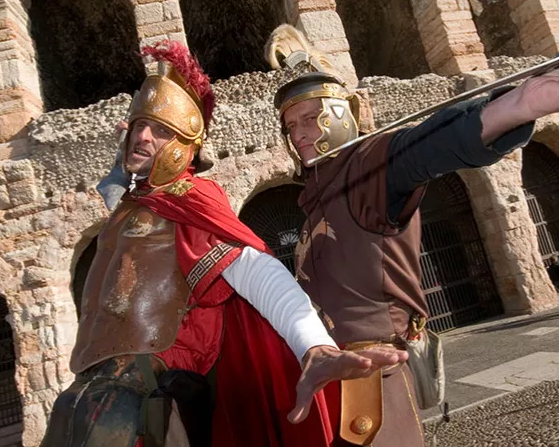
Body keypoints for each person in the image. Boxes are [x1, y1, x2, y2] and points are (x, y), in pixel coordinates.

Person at [41, 40, 407, 447]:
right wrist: (123, 167)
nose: (142, 136)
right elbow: (125, 201)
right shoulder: (135, 205)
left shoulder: (190, 198)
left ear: (187, 147)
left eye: (161, 130)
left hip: (142, 390)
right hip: (92, 384)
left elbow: (256, 267)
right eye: (138, 126)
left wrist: (313, 346)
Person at [266, 24, 559, 446]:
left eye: (309, 118)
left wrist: (523, 102)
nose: (299, 133)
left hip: (374, 379)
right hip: (327, 379)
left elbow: (425, 146)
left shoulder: (368, 170)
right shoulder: (314, 201)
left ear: (339, 116)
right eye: (290, 126)